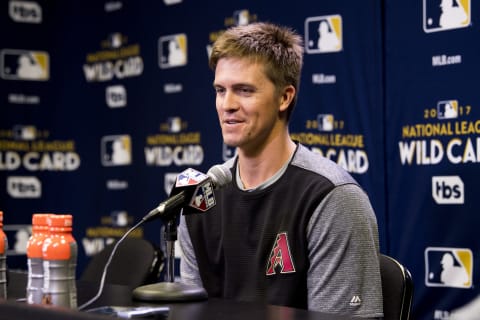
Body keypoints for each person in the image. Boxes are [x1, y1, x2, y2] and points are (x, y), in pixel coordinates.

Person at [178, 22, 383, 318]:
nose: (227, 105)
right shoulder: (199, 197)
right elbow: (191, 313)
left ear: (284, 97)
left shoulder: (333, 198)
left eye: (244, 90)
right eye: (220, 90)